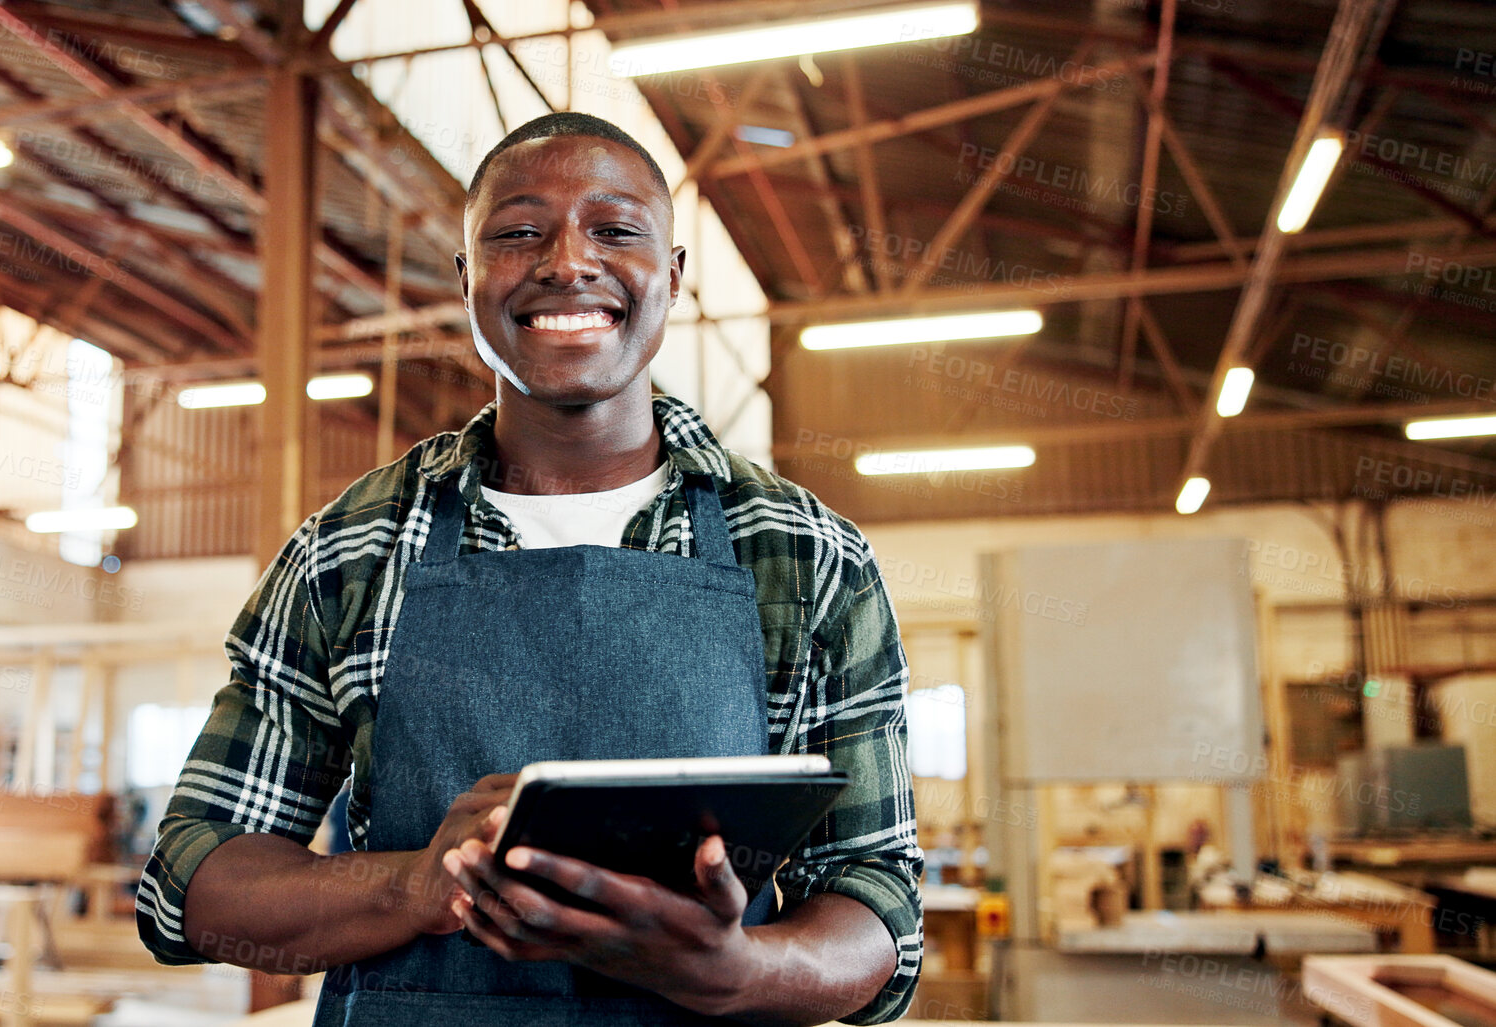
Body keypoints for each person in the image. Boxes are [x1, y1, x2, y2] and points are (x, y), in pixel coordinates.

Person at [138, 112, 922, 1026]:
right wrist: (412, 885)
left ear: (672, 275)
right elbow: (192, 879)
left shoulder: (806, 554)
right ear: (466, 277)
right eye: (517, 233)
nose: (567, 262)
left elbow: (878, 903)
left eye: (614, 229)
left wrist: (740, 970)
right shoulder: (350, 549)